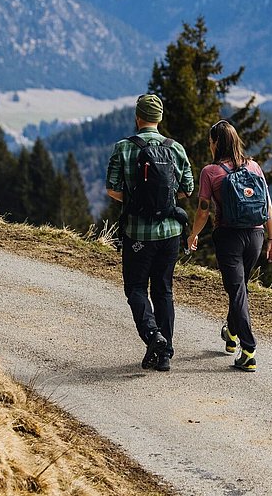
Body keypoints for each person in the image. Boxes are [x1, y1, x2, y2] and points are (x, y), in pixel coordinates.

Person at [105, 93, 194, 372]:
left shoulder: (123, 148)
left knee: (135, 288)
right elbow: (187, 188)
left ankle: (153, 336)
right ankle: (164, 352)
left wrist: (136, 202)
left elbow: (111, 188)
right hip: (170, 232)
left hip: (138, 233)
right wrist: (164, 203)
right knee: (163, 290)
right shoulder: (176, 148)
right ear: (160, 118)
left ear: (138, 117)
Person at [187, 119, 272, 372]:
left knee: (236, 290)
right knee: (239, 288)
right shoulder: (254, 167)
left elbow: (204, 211)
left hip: (229, 237)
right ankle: (231, 333)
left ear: (216, 143)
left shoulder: (210, 172)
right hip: (256, 236)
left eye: (210, 141)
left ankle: (248, 350)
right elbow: (267, 206)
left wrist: (193, 234)